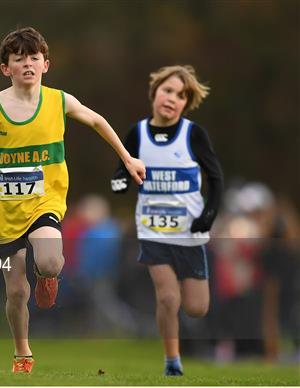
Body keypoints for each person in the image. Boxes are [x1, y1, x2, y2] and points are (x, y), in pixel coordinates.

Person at [0, 27, 145, 373]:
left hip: (44, 201)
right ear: (7, 68)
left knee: (49, 261)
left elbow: (95, 120)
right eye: (19, 59)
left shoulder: (59, 101)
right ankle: (22, 353)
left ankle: (46, 276)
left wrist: (127, 158)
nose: (27, 64)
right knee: (16, 292)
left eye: (34, 58)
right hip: (4, 209)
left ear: (46, 64)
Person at [111, 65, 224, 376]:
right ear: (154, 93)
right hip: (152, 230)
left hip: (189, 233)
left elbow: (215, 179)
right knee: (168, 297)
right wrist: (119, 183)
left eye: (181, 96)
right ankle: (172, 361)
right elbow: (122, 171)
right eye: (167, 91)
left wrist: (208, 215)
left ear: (186, 104)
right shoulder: (138, 133)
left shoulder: (193, 135)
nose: (172, 98)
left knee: (196, 308)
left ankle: (180, 342)